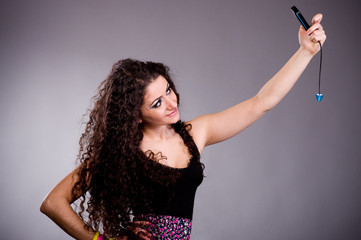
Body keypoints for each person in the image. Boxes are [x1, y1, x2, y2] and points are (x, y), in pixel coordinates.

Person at [40, 13, 326, 240]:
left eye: (168, 90)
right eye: (156, 103)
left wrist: (305, 52)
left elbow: (261, 102)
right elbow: (53, 203)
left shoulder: (195, 133)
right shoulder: (122, 151)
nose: (170, 102)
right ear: (135, 115)